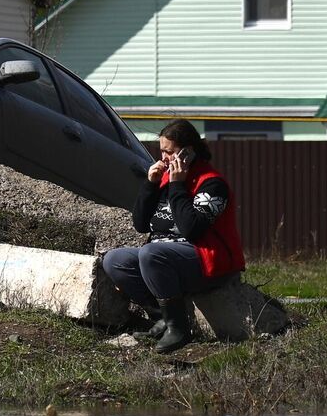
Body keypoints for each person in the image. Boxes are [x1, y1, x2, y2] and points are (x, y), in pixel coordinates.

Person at [99, 119, 244, 353]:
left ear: (188, 153)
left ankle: (179, 328)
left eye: (169, 152)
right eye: (162, 151)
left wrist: (178, 186)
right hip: (164, 259)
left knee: (151, 253)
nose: (163, 158)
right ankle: (161, 317)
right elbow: (140, 224)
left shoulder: (212, 184)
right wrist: (150, 185)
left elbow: (191, 229)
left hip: (207, 262)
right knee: (116, 260)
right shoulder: (165, 179)